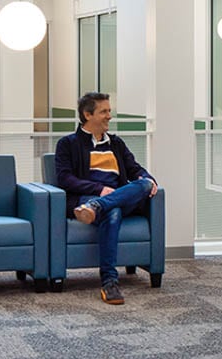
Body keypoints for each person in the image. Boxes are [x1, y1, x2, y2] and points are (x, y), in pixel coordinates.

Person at [52, 92, 158, 305]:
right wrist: (99, 189)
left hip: (106, 200)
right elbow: (65, 179)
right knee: (113, 211)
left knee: (144, 184)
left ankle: (97, 207)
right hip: (86, 197)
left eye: (109, 111)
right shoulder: (68, 144)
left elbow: (134, 169)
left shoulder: (116, 143)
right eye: (104, 111)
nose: (109, 116)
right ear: (87, 114)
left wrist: (148, 179)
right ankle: (110, 281)